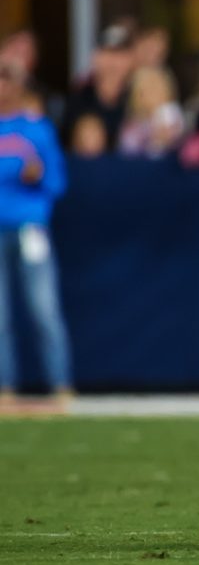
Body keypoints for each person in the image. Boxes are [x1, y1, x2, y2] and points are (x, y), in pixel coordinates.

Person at [0, 60, 72, 402]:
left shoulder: (36, 128)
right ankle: (5, 388)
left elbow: (57, 182)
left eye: (6, 78)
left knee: (44, 310)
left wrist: (37, 175)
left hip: (30, 228)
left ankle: (60, 385)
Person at [61, 24, 136, 153]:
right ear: (96, 57)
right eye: (107, 53)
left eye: (120, 55)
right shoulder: (79, 98)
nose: (113, 62)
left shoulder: (139, 97)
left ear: (131, 59)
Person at [119, 66, 185, 159]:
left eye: (160, 86)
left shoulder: (178, 118)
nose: (156, 92)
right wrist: (157, 143)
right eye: (149, 87)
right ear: (138, 96)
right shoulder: (133, 128)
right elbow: (130, 158)